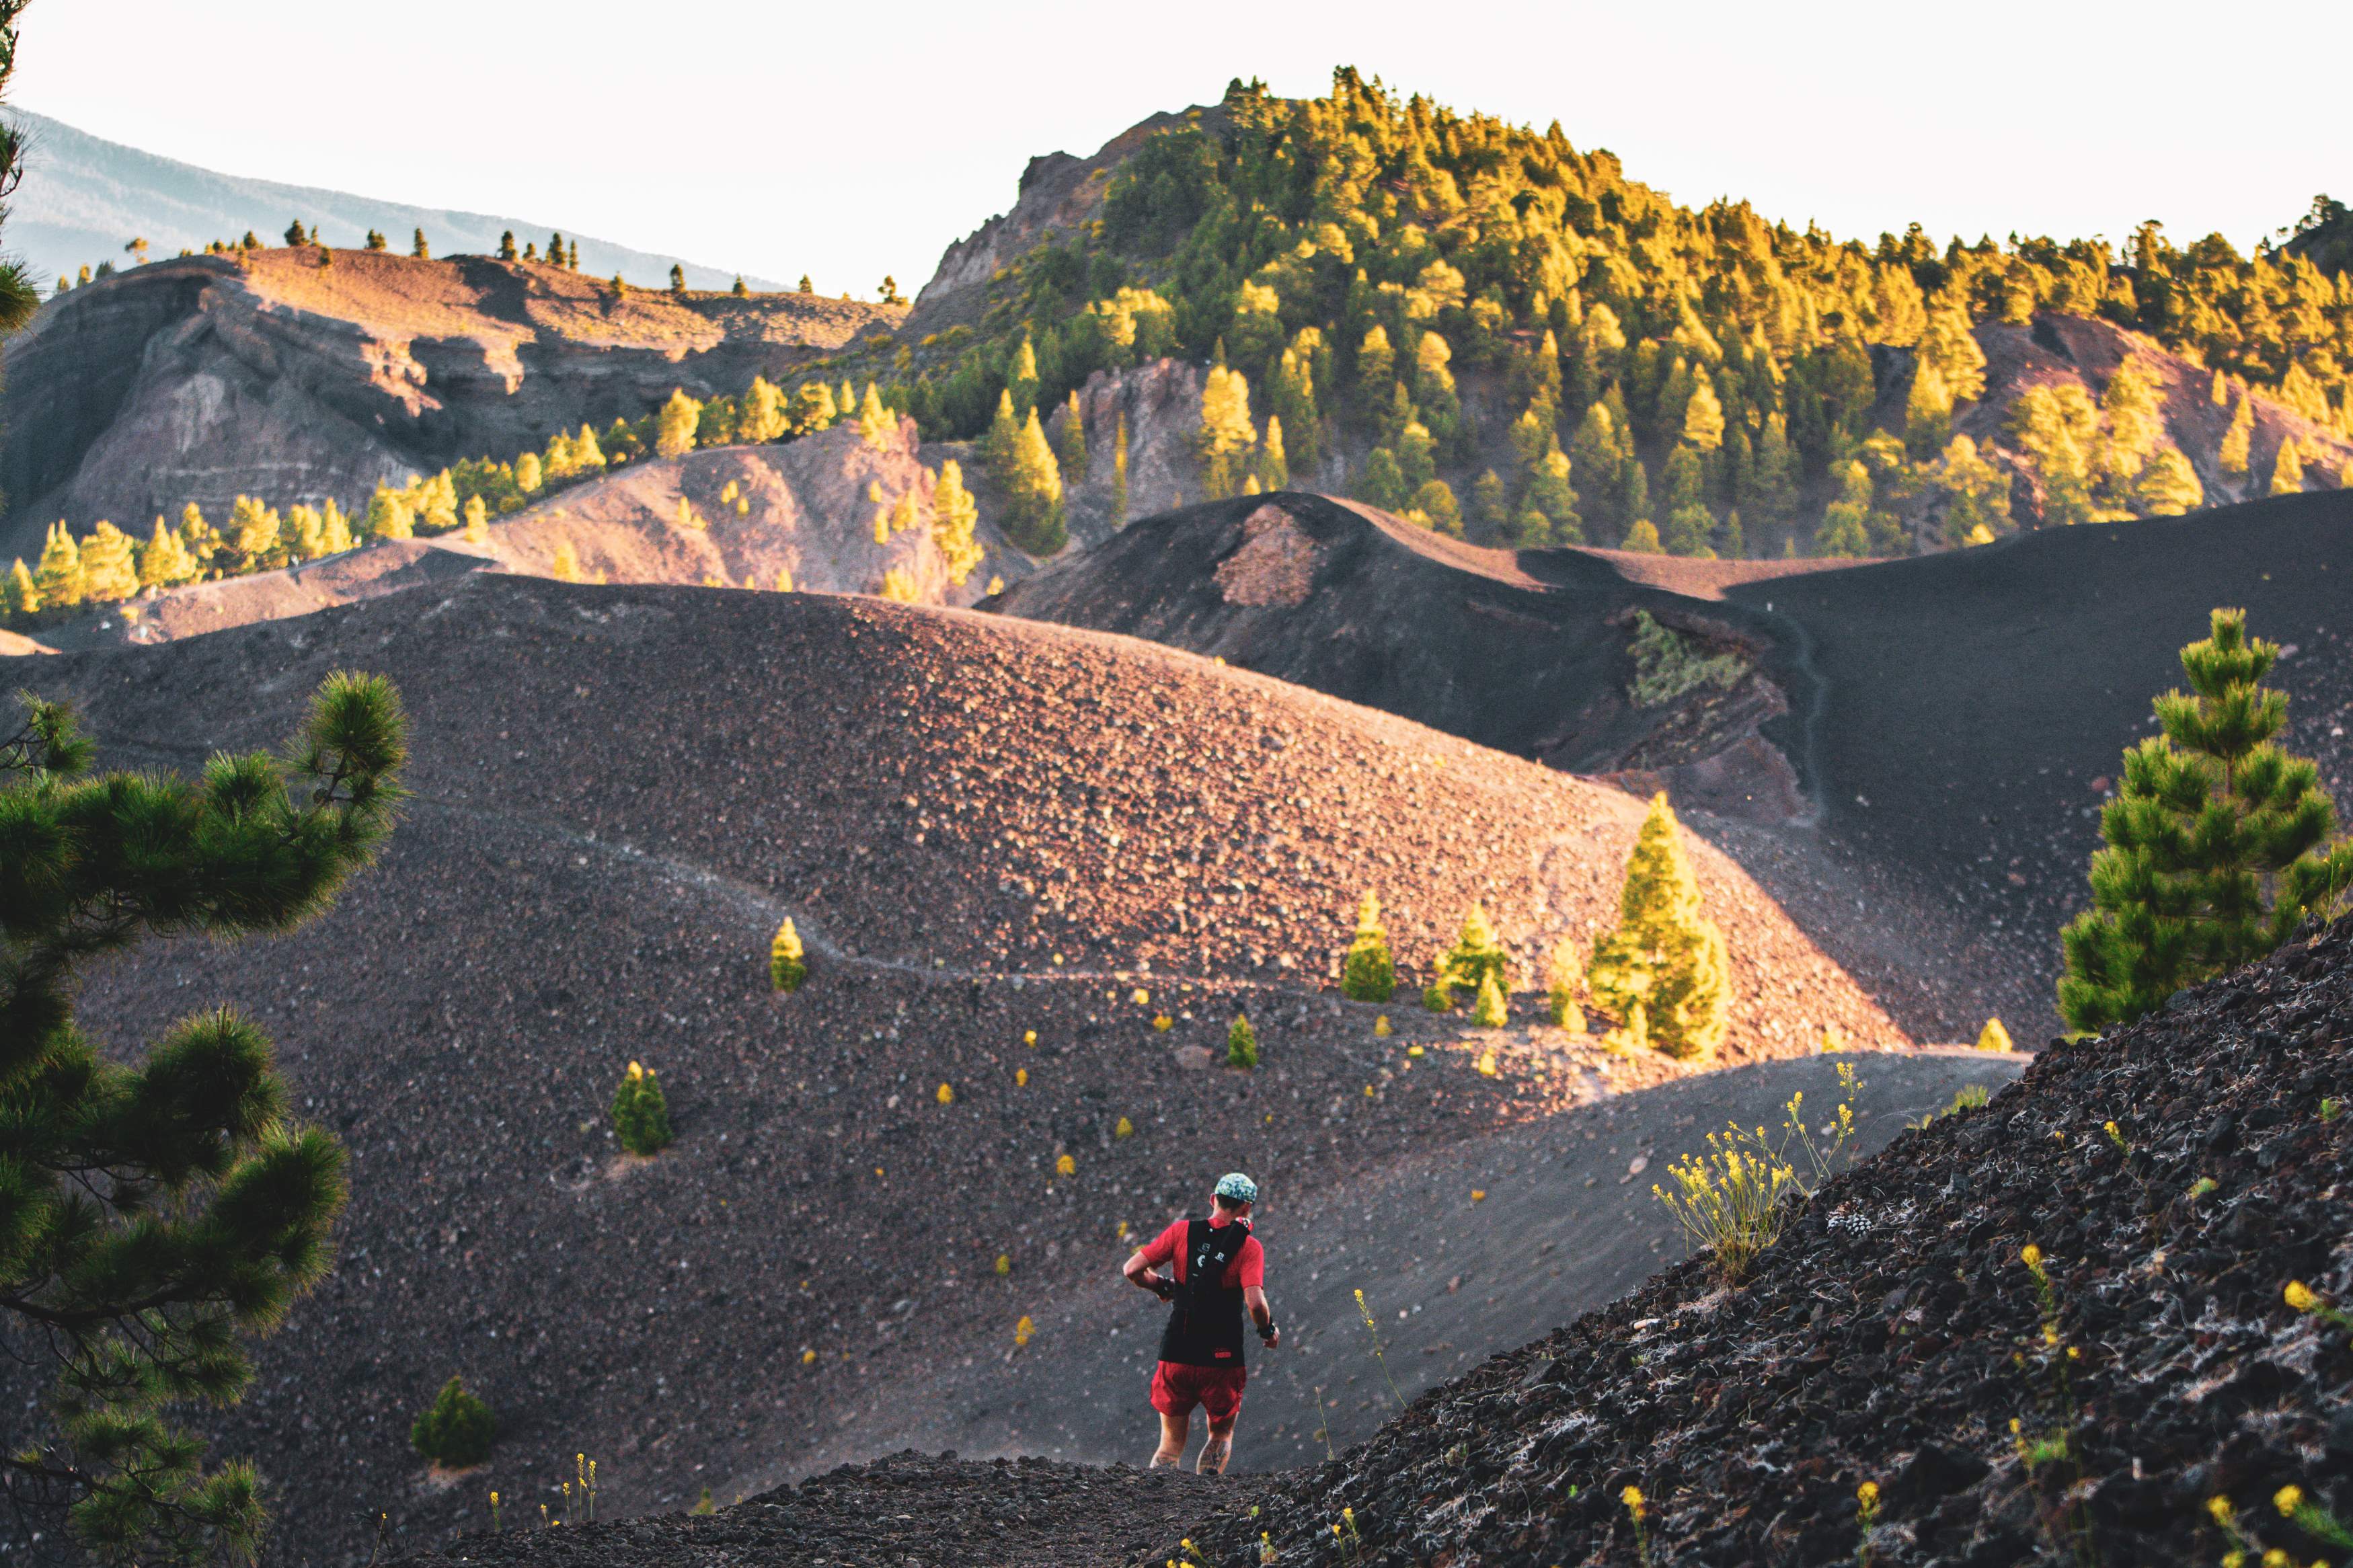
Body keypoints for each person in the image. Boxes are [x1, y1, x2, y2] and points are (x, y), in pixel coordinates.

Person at [1121, 1171, 1279, 1475]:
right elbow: (1256, 1303)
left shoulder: (1181, 1232)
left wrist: (1162, 1287)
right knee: (1220, 1434)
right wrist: (1268, 1331)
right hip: (1222, 1359)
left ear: (1213, 1200)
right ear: (1246, 1209)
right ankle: (1205, 1501)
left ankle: (1156, 1500)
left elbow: (1132, 1270)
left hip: (1177, 1351)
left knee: (1169, 1444)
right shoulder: (1249, 1248)